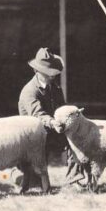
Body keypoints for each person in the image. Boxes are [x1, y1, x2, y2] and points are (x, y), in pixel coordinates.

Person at [18, 47, 84, 187]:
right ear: (37, 71)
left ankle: (73, 178)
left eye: (53, 73)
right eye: (48, 73)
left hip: (53, 131)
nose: (52, 76)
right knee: (32, 183)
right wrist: (53, 122)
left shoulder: (55, 88)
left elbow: (61, 107)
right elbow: (38, 115)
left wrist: (71, 115)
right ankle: (20, 174)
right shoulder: (29, 91)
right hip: (33, 137)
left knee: (76, 138)